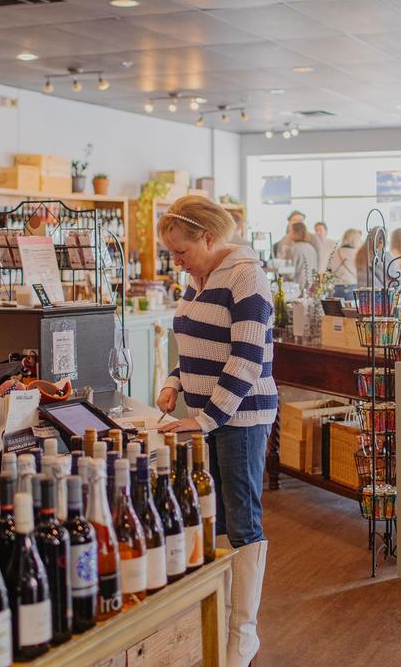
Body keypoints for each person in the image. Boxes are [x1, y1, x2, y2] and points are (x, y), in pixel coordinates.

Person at [154, 195, 276, 667]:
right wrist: (173, 382)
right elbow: (192, 344)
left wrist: (205, 420)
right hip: (208, 416)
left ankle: (244, 633)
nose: (177, 262)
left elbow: (246, 360)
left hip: (241, 418)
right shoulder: (196, 279)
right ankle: (221, 618)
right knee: (215, 518)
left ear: (208, 237)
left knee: (242, 522)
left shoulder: (247, 277)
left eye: (181, 251)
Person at [328, 228, 361, 299]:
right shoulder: (357, 253)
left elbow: (329, 270)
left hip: (336, 289)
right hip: (352, 289)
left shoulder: (334, 253)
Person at [289, 221, 317, 289]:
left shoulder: (294, 248)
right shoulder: (311, 248)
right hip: (311, 286)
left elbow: (290, 273)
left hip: (298, 286)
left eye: (291, 231)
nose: (289, 234)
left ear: (296, 233)